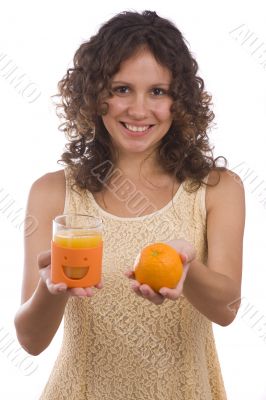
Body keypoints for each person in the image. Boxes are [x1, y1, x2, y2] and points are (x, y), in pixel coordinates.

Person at [14, 10, 245, 400]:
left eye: (158, 91)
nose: (139, 110)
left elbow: (227, 309)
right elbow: (31, 341)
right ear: (94, 95)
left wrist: (187, 272)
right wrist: (50, 290)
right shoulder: (52, 193)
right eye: (121, 89)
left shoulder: (218, 188)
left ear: (180, 100)